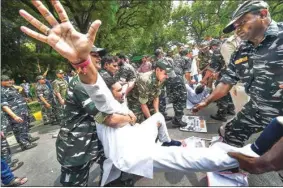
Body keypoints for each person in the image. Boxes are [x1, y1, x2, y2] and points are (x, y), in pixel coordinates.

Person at [17, 1, 273, 187]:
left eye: (99, 57)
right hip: (127, 150)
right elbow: (103, 103)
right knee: (188, 159)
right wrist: (83, 66)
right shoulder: (108, 103)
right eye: (97, 56)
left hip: (134, 135)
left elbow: (111, 96)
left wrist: (125, 106)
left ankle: (170, 144)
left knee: (160, 118)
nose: (118, 84)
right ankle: (249, 153)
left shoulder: (115, 93)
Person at [193, 0, 283, 147]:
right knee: (228, 133)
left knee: (275, 158)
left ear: (263, 14)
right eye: (236, 26)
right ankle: (229, 169)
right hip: (257, 108)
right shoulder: (242, 51)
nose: (238, 30)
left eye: (242, 22)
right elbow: (226, 82)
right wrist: (206, 101)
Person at [201, 39, 236, 122]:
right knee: (230, 93)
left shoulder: (217, 51)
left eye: (211, 47)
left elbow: (211, 68)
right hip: (233, 76)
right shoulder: (230, 48)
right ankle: (230, 109)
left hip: (223, 77)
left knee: (222, 95)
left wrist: (204, 79)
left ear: (213, 46)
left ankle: (221, 114)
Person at [1, 75, 39, 151]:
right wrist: (14, 116)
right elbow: (4, 106)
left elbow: (15, 98)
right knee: (18, 129)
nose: (9, 81)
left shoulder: (11, 88)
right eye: (6, 80)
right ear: (1, 82)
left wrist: (24, 99)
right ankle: (24, 144)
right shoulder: (2, 91)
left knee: (24, 127)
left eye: (9, 79)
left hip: (22, 111)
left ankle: (27, 139)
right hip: (15, 113)